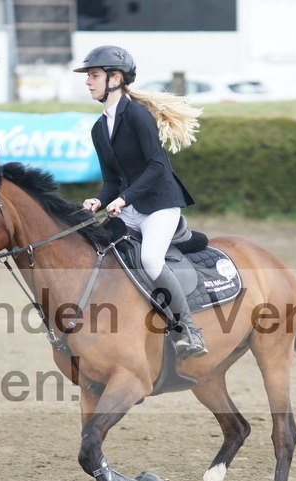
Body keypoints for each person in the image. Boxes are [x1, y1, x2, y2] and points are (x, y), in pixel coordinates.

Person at [74, 45, 207, 359]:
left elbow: (158, 166)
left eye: (94, 75)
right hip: (129, 207)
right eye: (88, 76)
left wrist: (123, 198)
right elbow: (111, 181)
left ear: (115, 78)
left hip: (160, 206)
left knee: (150, 261)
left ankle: (189, 329)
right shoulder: (98, 128)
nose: (88, 82)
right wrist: (99, 199)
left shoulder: (136, 114)